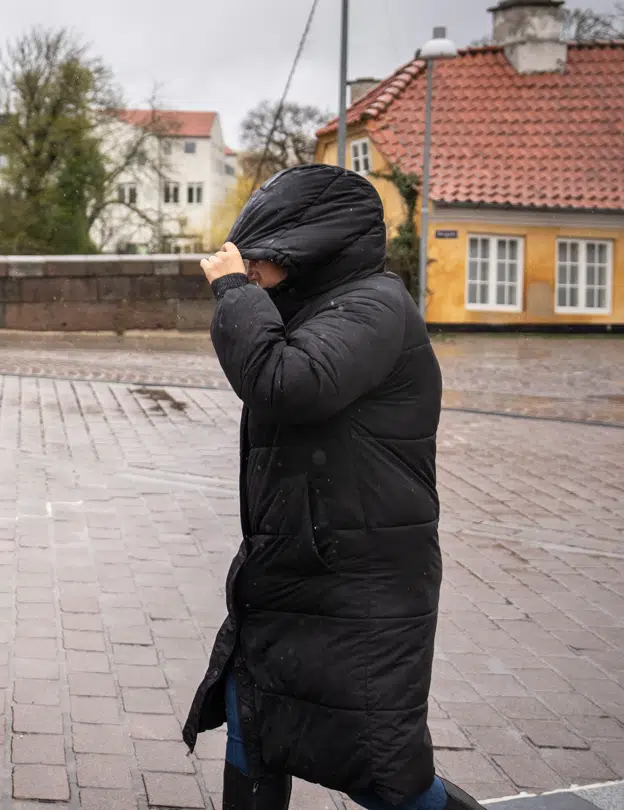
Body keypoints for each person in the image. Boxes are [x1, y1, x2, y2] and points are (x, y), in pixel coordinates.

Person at [182, 164, 485, 810]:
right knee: (254, 722)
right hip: (296, 573)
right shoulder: (315, 309)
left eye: (264, 256)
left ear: (308, 248)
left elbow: (286, 383)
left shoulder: (374, 306)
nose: (254, 268)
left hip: (361, 589)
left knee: (386, 771)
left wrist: (236, 292)